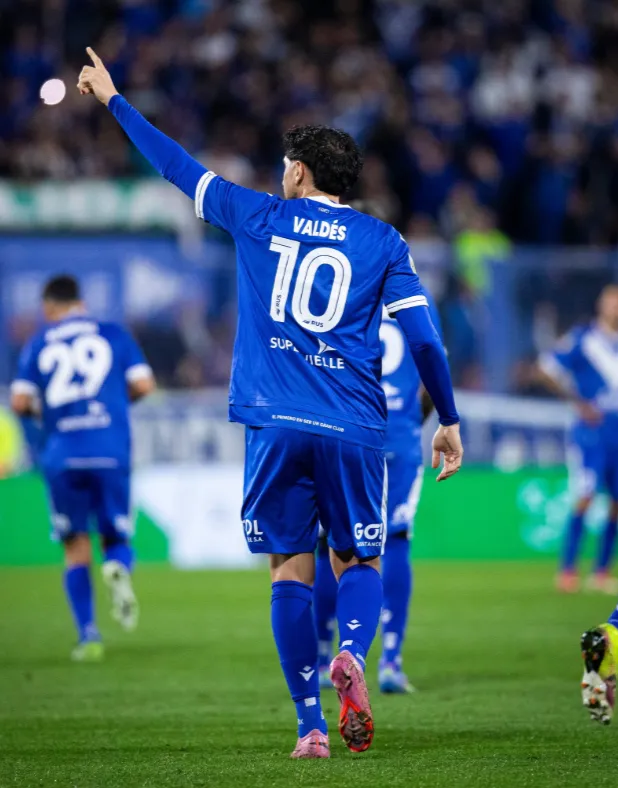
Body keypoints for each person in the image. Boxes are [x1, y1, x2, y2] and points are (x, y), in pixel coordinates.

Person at [76, 47, 463, 758]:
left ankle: (309, 726)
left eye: (287, 164)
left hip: (274, 424)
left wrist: (113, 100)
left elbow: (175, 166)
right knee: (360, 565)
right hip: (354, 424)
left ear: (299, 173)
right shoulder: (384, 241)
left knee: (290, 568)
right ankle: (354, 651)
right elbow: (426, 341)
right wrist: (450, 419)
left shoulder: (258, 216)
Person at [10, 275, 155, 661]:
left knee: (75, 547)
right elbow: (144, 385)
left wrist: (55, 413)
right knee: (117, 537)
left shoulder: (39, 341)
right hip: (110, 449)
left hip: (62, 453)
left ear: (49, 306)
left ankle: (88, 635)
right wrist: (109, 405)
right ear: (81, 300)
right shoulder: (112, 333)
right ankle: (116, 567)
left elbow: (20, 401)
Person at [314, 288, 442, 695]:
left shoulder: (335, 293)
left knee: (329, 543)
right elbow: (432, 372)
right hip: (399, 438)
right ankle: (391, 659)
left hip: (345, 433)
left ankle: (321, 657)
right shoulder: (417, 301)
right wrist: (405, 421)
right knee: (397, 537)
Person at [538, 285, 618, 594]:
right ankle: (568, 569)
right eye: (614, 300)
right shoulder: (583, 338)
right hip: (592, 432)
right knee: (586, 495)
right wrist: (577, 402)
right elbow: (547, 367)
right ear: (601, 304)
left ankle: (602, 571)